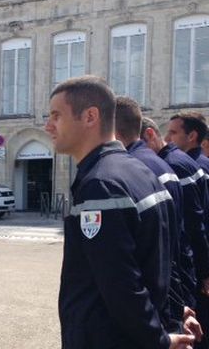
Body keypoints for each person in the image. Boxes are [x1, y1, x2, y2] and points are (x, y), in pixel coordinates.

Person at [45, 75, 194, 348]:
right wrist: (174, 315)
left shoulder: (100, 185)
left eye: (56, 115)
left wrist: (158, 340)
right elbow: (164, 258)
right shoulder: (140, 171)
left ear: (90, 116)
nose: (48, 126)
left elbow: (121, 285)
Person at [115, 97, 197, 333]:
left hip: (162, 287)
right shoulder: (162, 164)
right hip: (178, 273)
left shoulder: (136, 167)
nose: (169, 139)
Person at [142, 116, 209, 343]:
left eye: (173, 133)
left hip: (190, 264)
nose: (168, 137)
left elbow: (192, 224)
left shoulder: (176, 165)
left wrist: (204, 270)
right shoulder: (190, 162)